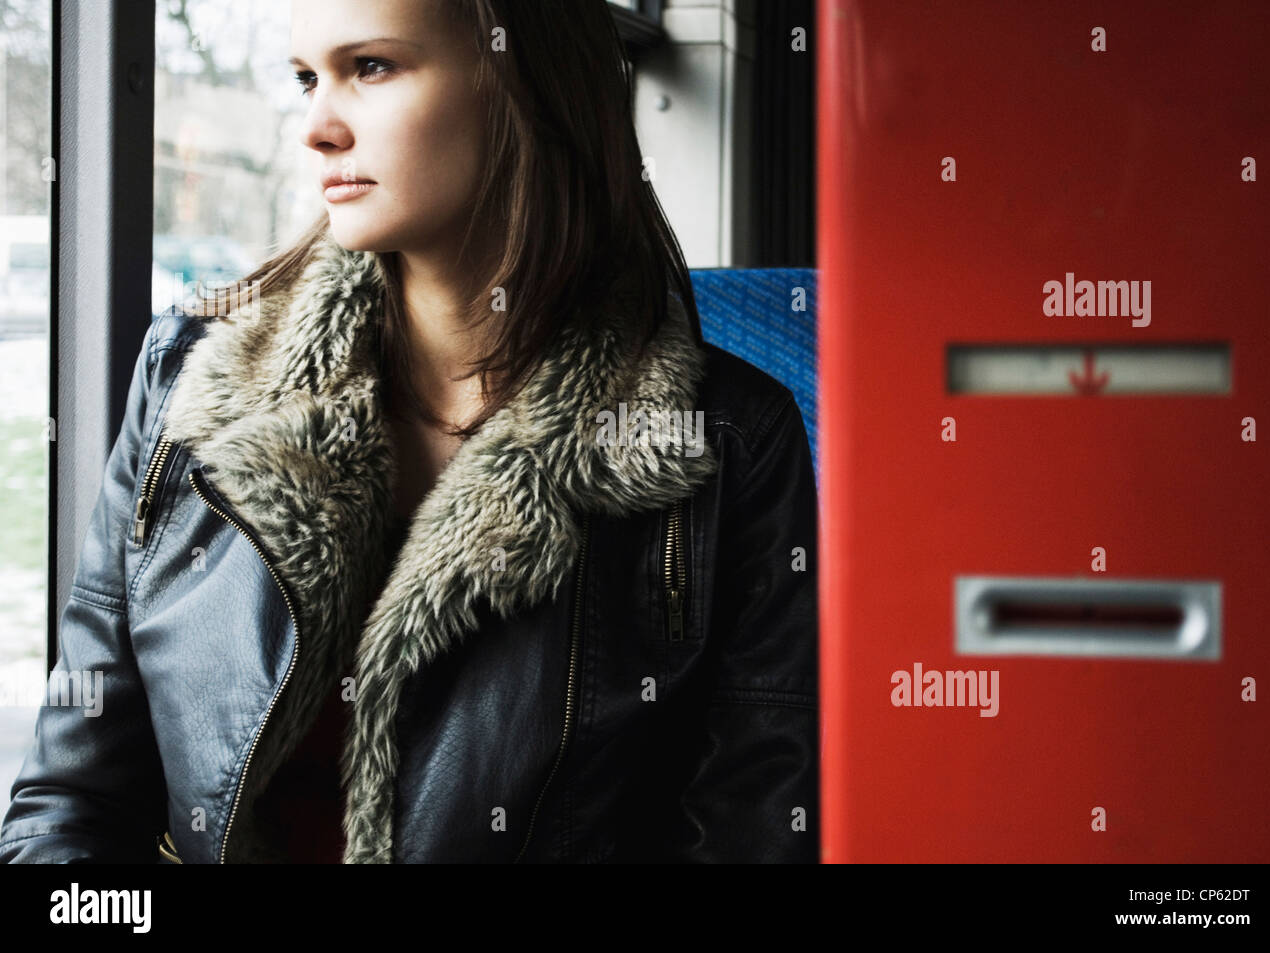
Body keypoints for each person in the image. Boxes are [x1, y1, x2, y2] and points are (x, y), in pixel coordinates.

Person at [0, 0, 819, 864]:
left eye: (373, 68)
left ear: (523, 83)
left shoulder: (727, 444)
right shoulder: (187, 380)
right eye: (308, 78)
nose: (316, 127)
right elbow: (69, 808)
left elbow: (747, 837)